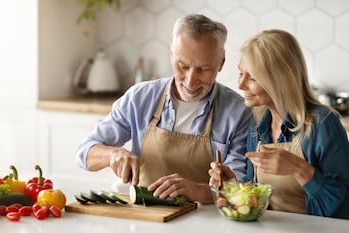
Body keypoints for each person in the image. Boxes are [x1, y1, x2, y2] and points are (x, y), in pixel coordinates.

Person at [76, 14, 253, 204]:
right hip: (145, 219)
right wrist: (112, 154)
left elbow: (241, 187)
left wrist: (198, 191)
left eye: (203, 69)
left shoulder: (239, 113)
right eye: (182, 66)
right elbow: (84, 152)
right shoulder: (140, 98)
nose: (191, 80)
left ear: (221, 62)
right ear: (171, 54)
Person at [209, 29, 349, 220]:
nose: (241, 84)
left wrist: (300, 170)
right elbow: (256, 198)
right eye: (241, 73)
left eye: (253, 77)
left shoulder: (323, 124)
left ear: (279, 79)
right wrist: (232, 185)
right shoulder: (257, 126)